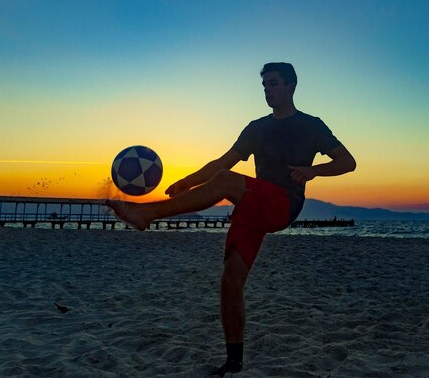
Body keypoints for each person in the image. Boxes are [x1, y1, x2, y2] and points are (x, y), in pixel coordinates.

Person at [106, 62, 356, 377]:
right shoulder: (256, 128)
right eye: (264, 84)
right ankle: (234, 362)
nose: (267, 89)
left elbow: (348, 161)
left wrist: (314, 170)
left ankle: (146, 214)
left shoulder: (311, 125)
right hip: (253, 203)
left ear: (291, 86)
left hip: (283, 202)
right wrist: (188, 182)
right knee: (230, 278)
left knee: (225, 181)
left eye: (274, 83)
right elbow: (222, 162)